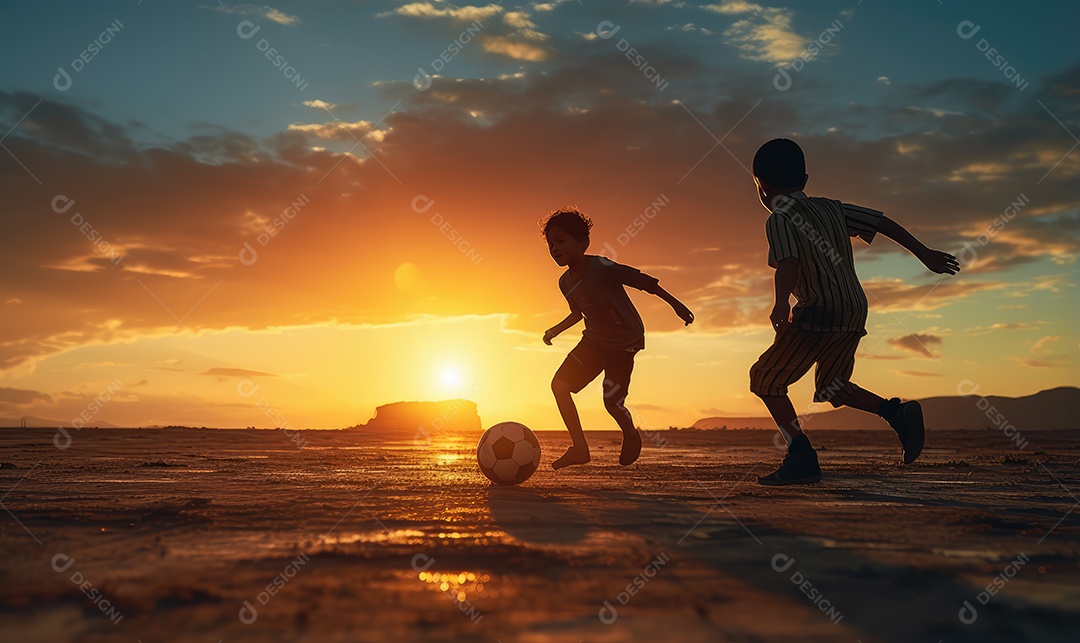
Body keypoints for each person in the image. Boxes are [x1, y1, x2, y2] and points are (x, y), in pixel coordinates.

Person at [748, 138, 960, 485]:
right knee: (833, 386)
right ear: (804, 179)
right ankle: (895, 412)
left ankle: (800, 454)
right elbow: (881, 221)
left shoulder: (780, 218)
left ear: (762, 187)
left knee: (765, 379)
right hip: (853, 309)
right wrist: (924, 253)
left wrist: (781, 302)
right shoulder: (832, 208)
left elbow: (787, 263)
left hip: (819, 309)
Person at [540, 206, 694, 469]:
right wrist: (555, 330)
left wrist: (676, 304)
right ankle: (579, 448)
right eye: (551, 244)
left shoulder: (601, 267)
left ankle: (631, 433)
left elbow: (644, 282)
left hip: (623, 343)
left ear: (583, 243)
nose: (555, 248)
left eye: (561, 241)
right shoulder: (564, 282)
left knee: (611, 402)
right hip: (594, 341)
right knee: (559, 385)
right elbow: (577, 313)